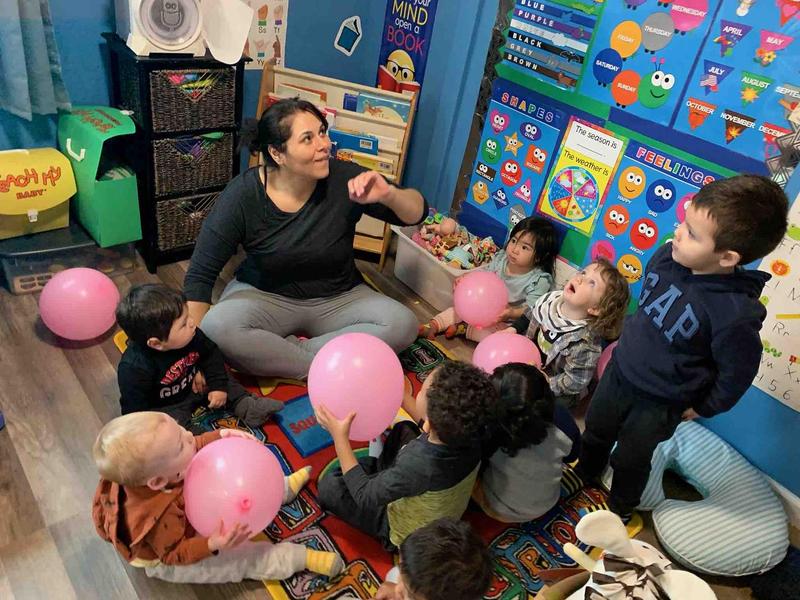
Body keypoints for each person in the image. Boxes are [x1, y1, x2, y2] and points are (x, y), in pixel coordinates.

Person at [577, 175, 789, 520]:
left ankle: (619, 510)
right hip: (619, 371)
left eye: (692, 233)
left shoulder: (734, 313)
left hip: (660, 402)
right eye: (684, 221)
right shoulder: (668, 257)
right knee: (596, 430)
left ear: (727, 256)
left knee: (631, 458)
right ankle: (584, 473)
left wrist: (705, 406)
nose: (677, 232)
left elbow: (738, 370)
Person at [183, 98, 427, 380]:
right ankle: (328, 365)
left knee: (403, 324)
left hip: (339, 297)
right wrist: (198, 357)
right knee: (217, 327)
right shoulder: (243, 195)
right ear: (277, 153)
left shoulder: (345, 178)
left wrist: (390, 195)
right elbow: (200, 276)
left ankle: (293, 357)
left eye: (322, 132)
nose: (324, 144)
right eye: (308, 138)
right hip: (265, 296)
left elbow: (416, 213)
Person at [92, 412, 343, 583]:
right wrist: (212, 544)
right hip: (170, 555)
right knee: (236, 562)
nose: (189, 436)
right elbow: (174, 553)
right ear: (158, 481)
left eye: (180, 428)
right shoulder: (158, 519)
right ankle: (295, 558)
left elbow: (193, 443)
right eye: (181, 445)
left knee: (211, 468)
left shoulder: (164, 467)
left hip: (178, 500)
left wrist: (220, 436)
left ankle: (279, 489)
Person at [314, 361, 497, 550]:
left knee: (331, 486)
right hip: (431, 489)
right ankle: (379, 475)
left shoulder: (419, 464)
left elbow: (364, 496)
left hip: (402, 529)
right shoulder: (474, 432)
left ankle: (374, 476)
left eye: (422, 388)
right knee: (404, 429)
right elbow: (423, 420)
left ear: (430, 424)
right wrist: (399, 395)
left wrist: (340, 437)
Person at [115, 284, 282, 432]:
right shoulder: (134, 368)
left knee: (225, 379)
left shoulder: (192, 334)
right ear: (157, 343)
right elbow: (135, 412)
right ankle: (196, 440)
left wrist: (218, 387)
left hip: (196, 384)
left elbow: (211, 354)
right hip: (167, 406)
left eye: (188, 316)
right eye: (183, 323)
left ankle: (247, 406)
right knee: (169, 429)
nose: (192, 322)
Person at [510, 258, 630, 407]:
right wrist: (513, 328)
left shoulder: (585, 345)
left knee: (541, 403)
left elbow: (575, 381)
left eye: (592, 283)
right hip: (535, 358)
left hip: (558, 381)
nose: (580, 278)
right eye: (584, 272)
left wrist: (546, 382)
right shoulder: (552, 301)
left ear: (596, 308)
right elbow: (531, 313)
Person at [473, 363, 581, 523]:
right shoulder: (562, 418)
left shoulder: (489, 430)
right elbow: (572, 456)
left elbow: (475, 465)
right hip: (548, 502)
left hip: (499, 508)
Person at [419, 216, 557, 341]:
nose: (515, 249)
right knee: (456, 311)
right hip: (481, 308)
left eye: (524, 247)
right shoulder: (502, 258)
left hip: (505, 321)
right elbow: (484, 276)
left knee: (498, 338)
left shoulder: (539, 279)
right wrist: (466, 279)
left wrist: (511, 313)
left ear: (539, 256)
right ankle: (432, 326)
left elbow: (531, 310)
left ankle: (465, 328)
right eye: (514, 241)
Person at [372, 517, 493, 600]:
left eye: (410, 595)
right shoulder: (417, 576)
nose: (398, 589)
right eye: (401, 565)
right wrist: (395, 588)